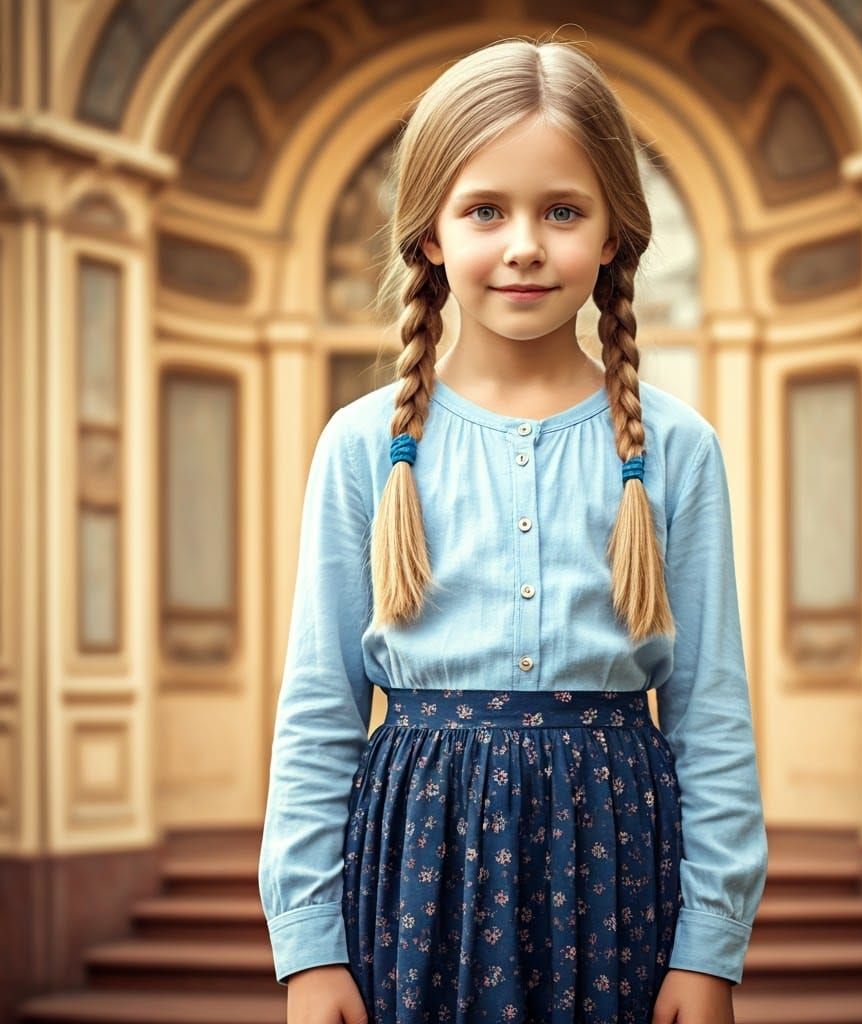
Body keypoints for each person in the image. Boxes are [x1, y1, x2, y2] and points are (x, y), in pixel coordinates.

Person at [258, 35, 768, 1024]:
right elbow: (319, 716)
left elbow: (711, 719)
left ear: (613, 234)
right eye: (485, 209)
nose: (524, 243)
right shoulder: (364, 447)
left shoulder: (676, 450)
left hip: (615, 869)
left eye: (562, 211)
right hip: (417, 871)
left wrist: (710, 947)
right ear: (430, 236)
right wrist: (309, 946)